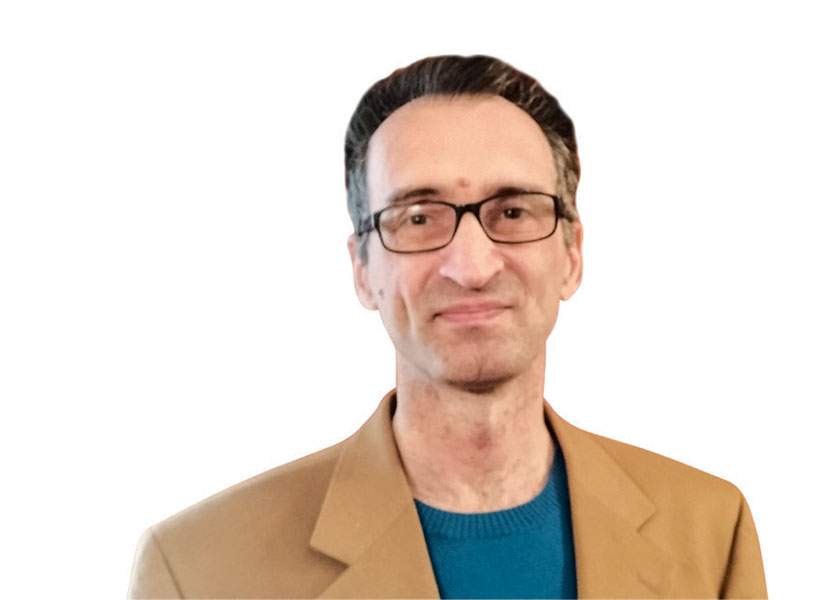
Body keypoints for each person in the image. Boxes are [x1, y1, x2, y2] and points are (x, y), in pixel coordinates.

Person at [128, 54, 767, 599]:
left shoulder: (711, 533)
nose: (471, 266)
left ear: (572, 255)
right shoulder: (198, 569)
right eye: (418, 218)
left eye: (512, 211)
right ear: (362, 269)